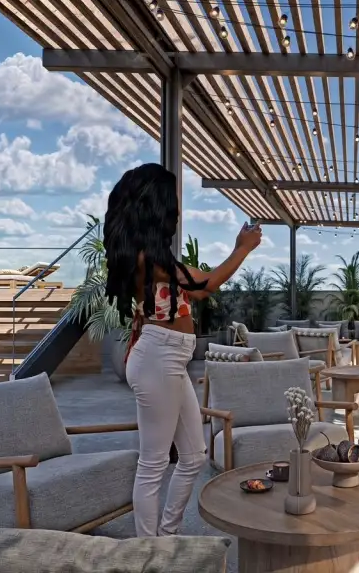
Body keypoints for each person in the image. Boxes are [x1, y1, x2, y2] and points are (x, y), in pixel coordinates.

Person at [104, 163, 262, 537]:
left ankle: (167, 535)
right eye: (172, 199)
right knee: (154, 463)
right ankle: (150, 550)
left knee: (193, 457)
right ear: (156, 205)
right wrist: (242, 249)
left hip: (169, 359)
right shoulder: (147, 259)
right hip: (157, 359)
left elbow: (199, 289)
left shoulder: (155, 257)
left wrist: (239, 250)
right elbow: (207, 283)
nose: (177, 207)